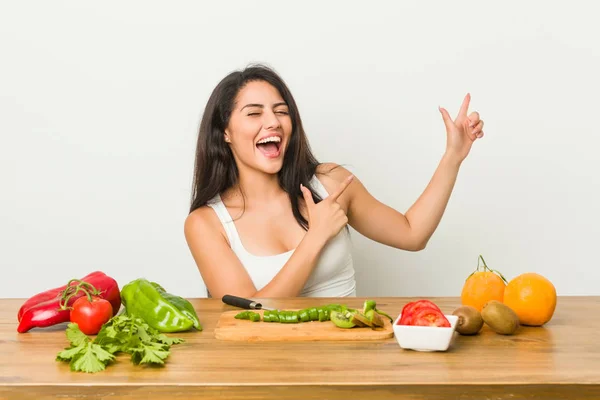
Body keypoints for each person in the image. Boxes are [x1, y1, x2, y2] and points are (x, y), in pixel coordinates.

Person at [184, 64, 485, 299]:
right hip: (267, 372)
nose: (273, 122)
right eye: (254, 113)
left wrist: (453, 156)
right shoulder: (206, 224)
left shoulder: (330, 184)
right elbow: (248, 319)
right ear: (224, 132)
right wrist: (316, 237)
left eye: (281, 111)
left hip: (347, 365)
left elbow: (412, 234)